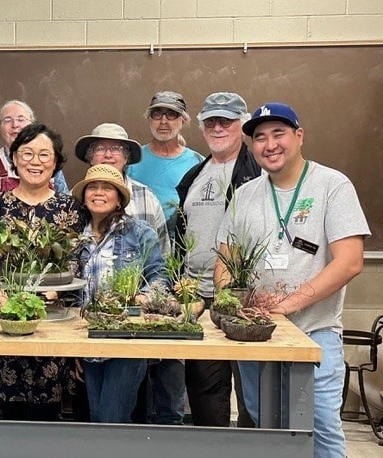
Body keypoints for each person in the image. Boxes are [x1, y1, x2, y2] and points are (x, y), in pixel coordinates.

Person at [215, 102, 370, 457]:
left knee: (319, 432)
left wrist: (286, 306)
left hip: (314, 335)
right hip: (256, 340)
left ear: (299, 136)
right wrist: (231, 303)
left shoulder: (333, 186)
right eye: (259, 138)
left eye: (278, 133)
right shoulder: (245, 195)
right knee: (265, 427)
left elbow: (349, 262)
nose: (269, 144)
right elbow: (226, 261)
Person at [0, 123, 85, 421]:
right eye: (27, 153)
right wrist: (8, 305)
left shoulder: (69, 208)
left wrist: (46, 297)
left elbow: (75, 262)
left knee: (47, 416)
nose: (35, 162)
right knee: (10, 416)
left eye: (44, 155)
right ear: (14, 158)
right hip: (7, 325)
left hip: (52, 324)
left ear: (57, 163)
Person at [175, 92, 261, 427]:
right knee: (205, 394)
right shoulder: (194, 176)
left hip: (245, 299)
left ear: (243, 124)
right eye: (211, 121)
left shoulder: (259, 172)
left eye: (226, 120)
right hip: (198, 298)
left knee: (253, 394)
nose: (218, 127)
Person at [70, 164, 168, 423]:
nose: (99, 193)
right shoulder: (73, 236)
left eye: (107, 188)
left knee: (111, 418)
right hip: (88, 341)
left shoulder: (139, 232)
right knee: (96, 416)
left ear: (119, 199)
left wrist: (144, 297)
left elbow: (160, 274)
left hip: (127, 339)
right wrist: (74, 348)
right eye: (93, 187)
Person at [74, 123, 170, 255]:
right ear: (90, 157)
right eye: (100, 149)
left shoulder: (146, 196)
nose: (108, 155)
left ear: (126, 158)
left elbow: (163, 252)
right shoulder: (74, 198)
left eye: (116, 149)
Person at [128, 90, 204, 238]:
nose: (163, 121)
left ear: (183, 120)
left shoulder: (198, 162)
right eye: (157, 114)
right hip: (140, 247)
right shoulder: (132, 160)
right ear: (149, 119)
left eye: (171, 114)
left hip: (183, 246)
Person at [0, 100, 68, 193]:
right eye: (7, 120)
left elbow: (65, 199)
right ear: (0, 127)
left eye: (21, 119)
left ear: (32, 124)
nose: (15, 125)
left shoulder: (48, 161)